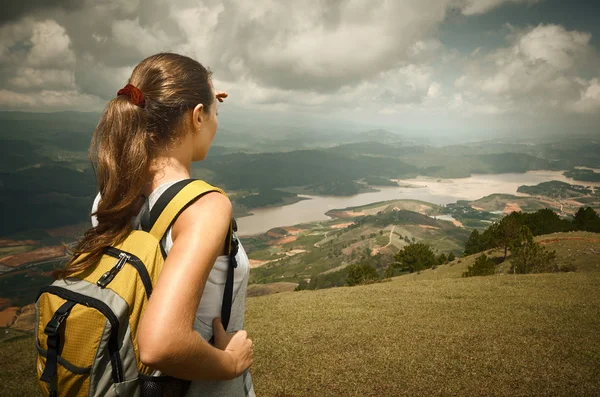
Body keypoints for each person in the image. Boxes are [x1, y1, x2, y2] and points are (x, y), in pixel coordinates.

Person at [59, 52, 256, 396]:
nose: (216, 122)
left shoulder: (111, 198)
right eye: (215, 114)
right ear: (197, 117)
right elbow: (161, 343)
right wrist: (232, 363)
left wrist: (205, 96)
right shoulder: (204, 208)